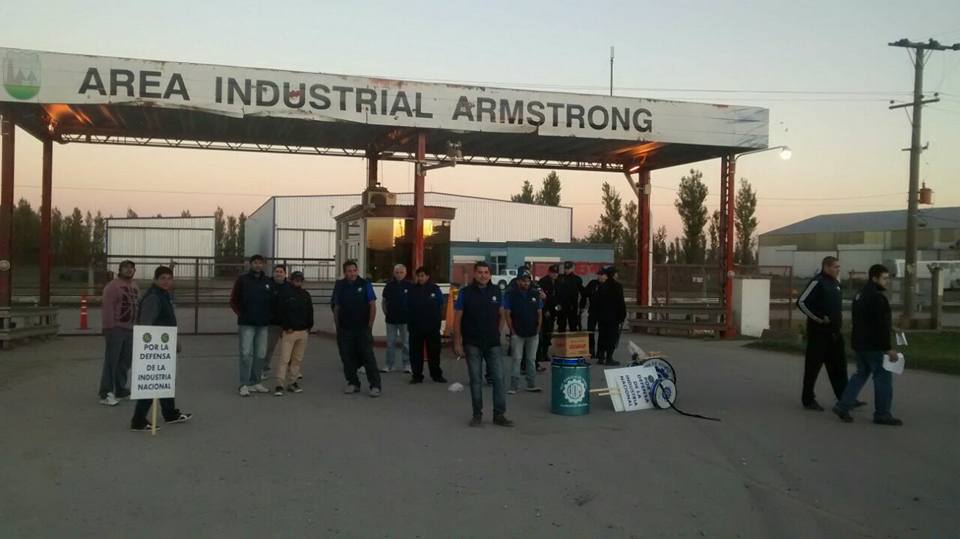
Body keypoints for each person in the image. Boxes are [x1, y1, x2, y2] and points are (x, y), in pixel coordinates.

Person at [833, 264, 903, 426]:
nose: (886, 281)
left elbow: (865, 320)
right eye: (884, 278)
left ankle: (843, 405)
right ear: (874, 278)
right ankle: (882, 414)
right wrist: (888, 348)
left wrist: (890, 327)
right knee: (883, 379)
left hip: (860, 343)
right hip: (875, 346)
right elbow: (880, 326)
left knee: (860, 374)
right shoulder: (878, 298)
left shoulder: (860, 295)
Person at [130, 266, 192, 431]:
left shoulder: (163, 294)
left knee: (165, 379)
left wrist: (174, 341)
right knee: (153, 382)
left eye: (169, 278)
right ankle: (138, 420)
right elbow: (146, 325)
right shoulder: (153, 297)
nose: (166, 281)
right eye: (163, 278)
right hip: (155, 348)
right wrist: (151, 348)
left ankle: (170, 413)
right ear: (155, 279)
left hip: (164, 345)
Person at [454, 261, 514, 427]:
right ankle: (477, 415)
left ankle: (499, 415)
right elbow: (457, 319)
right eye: (480, 272)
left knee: (499, 379)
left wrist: (496, 331)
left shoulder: (497, 291)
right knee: (476, 380)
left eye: (486, 272)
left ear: (490, 274)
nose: (483, 275)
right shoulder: (465, 293)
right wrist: (457, 343)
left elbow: (501, 314)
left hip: (493, 343)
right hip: (472, 343)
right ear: (475, 273)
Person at [797, 256, 851, 411]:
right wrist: (819, 318)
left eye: (838, 267)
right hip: (819, 334)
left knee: (839, 366)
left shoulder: (835, 283)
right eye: (835, 267)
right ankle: (808, 399)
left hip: (835, 332)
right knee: (813, 367)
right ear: (826, 267)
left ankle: (845, 397)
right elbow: (801, 302)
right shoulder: (818, 282)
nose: (838, 269)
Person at [332, 260, 382, 397]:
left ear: (357, 271)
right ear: (345, 273)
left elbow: (372, 305)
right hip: (345, 329)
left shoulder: (365, 284)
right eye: (349, 271)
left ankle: (375, 385)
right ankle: (353, 383)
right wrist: (338, 326)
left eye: (354, 270)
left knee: (368, 357)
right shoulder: (340, 285)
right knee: (347, 357)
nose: (352, 273)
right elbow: (336, 307)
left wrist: (370, 325)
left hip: (362, 328)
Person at [230, 254, 274, 397]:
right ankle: (244, 384)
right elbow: (233, 300)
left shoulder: (268, 281)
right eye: (255, 262)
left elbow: (272, 300)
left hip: (263, 325)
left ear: (264, 265)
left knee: (260, 354)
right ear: (250, 264)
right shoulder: (242, 280)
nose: (258, 265)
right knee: (245, 354)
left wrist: (269, 316)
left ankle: (256, 382)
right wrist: (242, 314)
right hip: (246, 324)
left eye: (260, 263)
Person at [99, 260, 139, 406]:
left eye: (132, 268)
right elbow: (107, 308)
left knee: (125, 361)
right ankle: (106, 393)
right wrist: (108, 328)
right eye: (126, 267)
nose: (129, 270)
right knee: (112, 361)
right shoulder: (112, 286)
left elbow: (137, 305)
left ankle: (120, 388)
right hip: (116, 329)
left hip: (131, 329)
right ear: (120, 270)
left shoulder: (134, 286)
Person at [273, 271, 313, 396]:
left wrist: (309, 326)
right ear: (291, 280)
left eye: (300, 279)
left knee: (297, 359)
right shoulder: (285, 293)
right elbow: (280, 311)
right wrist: (286, 326)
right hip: (290, 331)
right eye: (296, 279)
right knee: (284, 358)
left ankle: (292, 382)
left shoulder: (306, 294)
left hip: (303, 331)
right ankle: (279, 384)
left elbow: (310, 311)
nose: (298, 281)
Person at [503, 269, 543, 394]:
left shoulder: (535, 294)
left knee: (531, 360)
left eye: (528, 281)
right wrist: (512, 331)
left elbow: (539, 313)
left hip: (533, 333)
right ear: (518, 281)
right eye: (523, 281)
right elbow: (507, 314)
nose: (526, 283)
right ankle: (514, 386)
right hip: (518, 333)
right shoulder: (511, 295)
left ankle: (531, 384)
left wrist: (538, 329)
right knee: (517, 359)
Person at [407, 266, 446, 384]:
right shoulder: (412, 289)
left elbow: (441, 304)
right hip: (415, 326)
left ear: (428, 276)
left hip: (432, 327)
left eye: (422, 276)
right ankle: (417, 376)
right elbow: (407, 305)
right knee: (415, 353)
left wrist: (438, 321)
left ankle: (436, 375)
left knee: (434, 352)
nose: (420, 278)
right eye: (418, 276)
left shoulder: (435, 289)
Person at [381, 264, 412, 374]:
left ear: (405, 273)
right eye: (397, 272)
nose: (399, 275)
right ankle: (389, 365)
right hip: (391, 320)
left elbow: (414, 302)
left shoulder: (410, 286)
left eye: (401, 272)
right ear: (394, 273)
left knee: (406, 344)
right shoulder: (389, 286)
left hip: (406, 320)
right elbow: (384, 302)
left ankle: (407, 365)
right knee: (390, 344)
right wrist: (387, 313)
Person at [594, 266, 626, 366]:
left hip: (602, 317)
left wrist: (598, 315)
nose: (617, 275)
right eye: (616, 273)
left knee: (602, 336)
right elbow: (620, 302)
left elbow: (596, 302)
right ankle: (609, 358)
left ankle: (600, 357)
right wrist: (622, 316)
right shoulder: (617, 286)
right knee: (611, 337)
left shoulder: (602, 286)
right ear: (613, 274)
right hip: (613, 317)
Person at [263, 264, 290, 379]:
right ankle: (263, 369)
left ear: (285, 274)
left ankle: (292, 370)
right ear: (273, 273)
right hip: (272, 323)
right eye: (277, 271)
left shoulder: (289, 287)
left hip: (287, 324)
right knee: (268, 348)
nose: (279, 274)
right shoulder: (267, 285)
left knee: (289, 349)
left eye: (281, 272)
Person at [535, 264, 560, 365]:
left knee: (549, 333)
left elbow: (557, 296)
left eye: (556, 273)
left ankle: (545, 353)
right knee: (543, 333)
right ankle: (540, 354)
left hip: (553, 311)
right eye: (553, 273)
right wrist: (545, 310)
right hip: (545, 311)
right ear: (549, 272)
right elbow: (541, 298)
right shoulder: (543, 282)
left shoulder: (558, 282)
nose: (555, 275)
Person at [580, 269, 605, 358]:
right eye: (599, 275)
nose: (600, 277)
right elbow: (584, 294)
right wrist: (582, 306)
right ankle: (591, 350)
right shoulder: (593, 283)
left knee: (603, 332)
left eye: (601, 275)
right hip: (593, 310)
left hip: (603, 312)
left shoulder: (607, 285)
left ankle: (600, 352)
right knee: (590, 331)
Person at [555, 261, 584, 332]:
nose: (567, 270)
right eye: (565, 268)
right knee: (561, 326)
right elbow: (555, 293)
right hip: (561, 306)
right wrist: (556, 306)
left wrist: (582, 306)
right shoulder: (559, 278)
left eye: (568, 268)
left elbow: (583, 293)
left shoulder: (577, 279)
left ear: (573, 268)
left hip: (572, 306)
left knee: (573, 326)